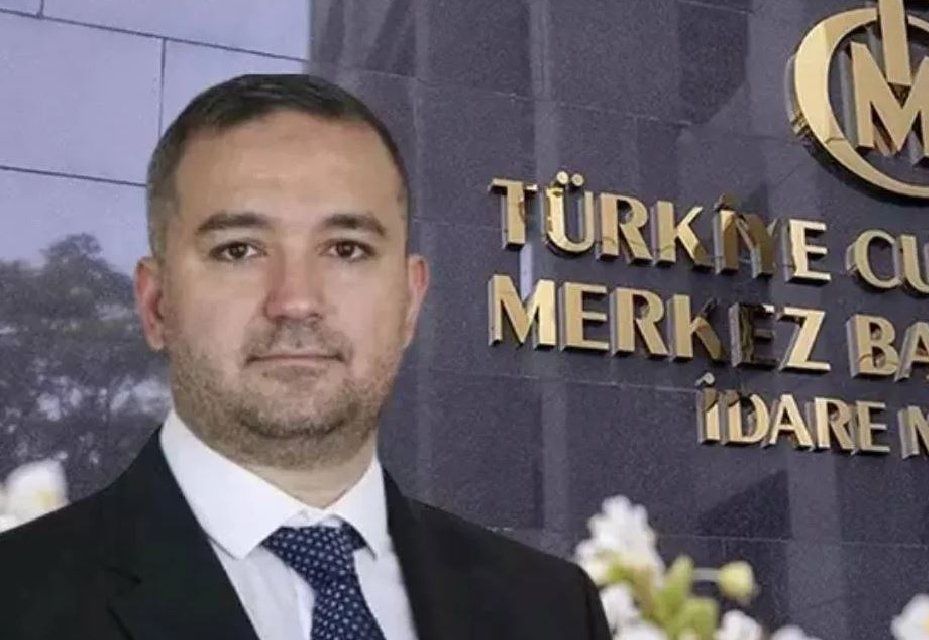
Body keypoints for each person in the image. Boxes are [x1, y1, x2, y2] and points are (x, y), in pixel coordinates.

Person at [0, 74, 610, 640]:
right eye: (239, 250)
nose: (296, 301)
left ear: (410, 300)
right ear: (157, 304)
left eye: (346, 249)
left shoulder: (554, 610)